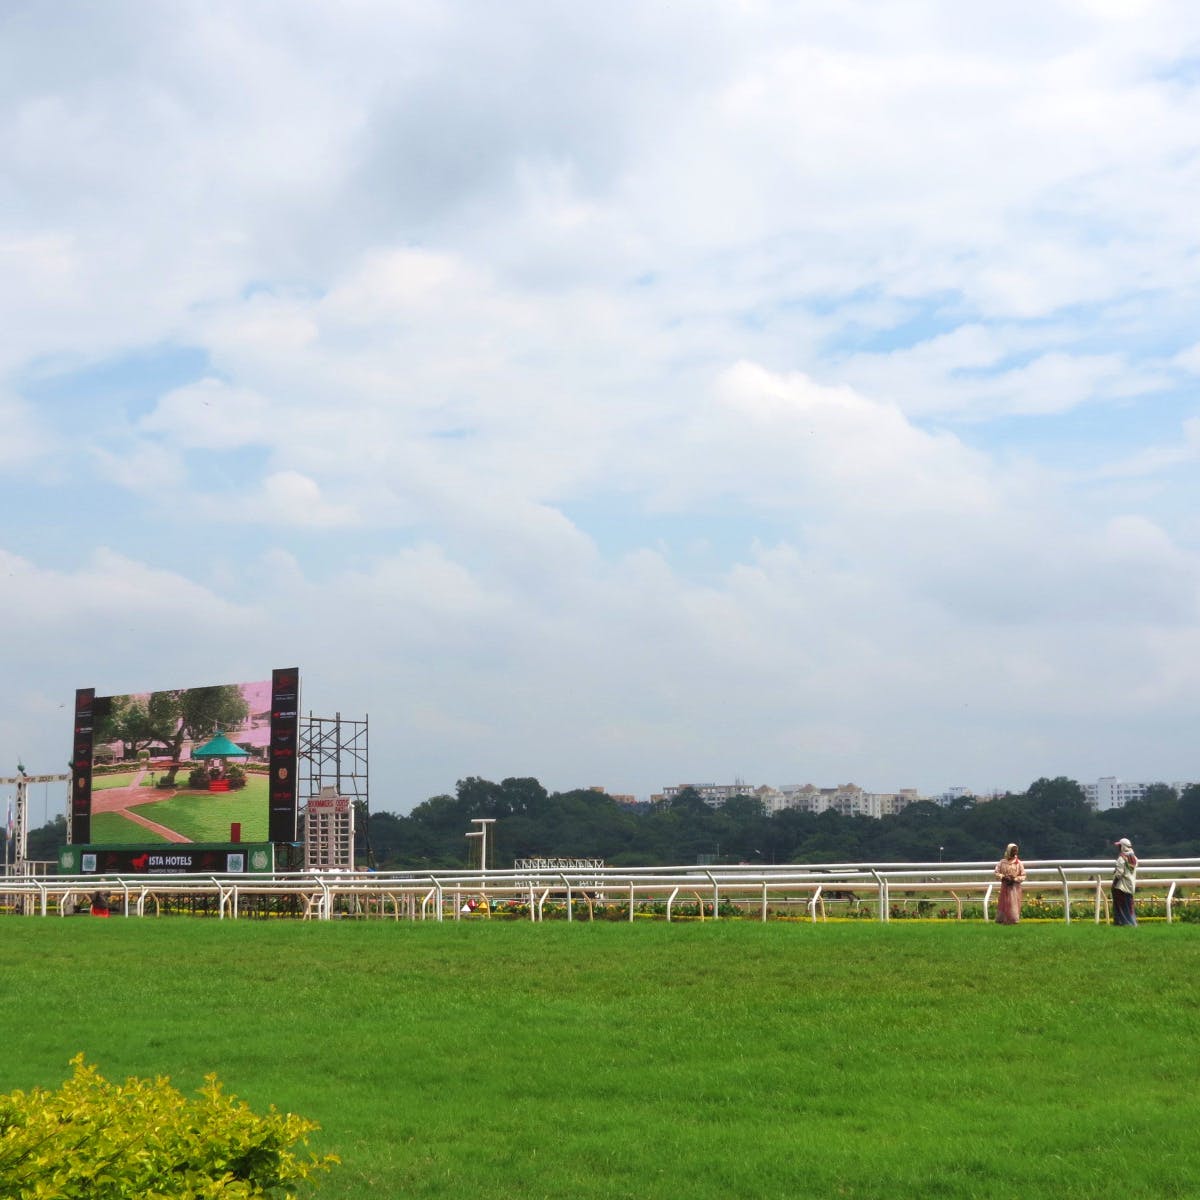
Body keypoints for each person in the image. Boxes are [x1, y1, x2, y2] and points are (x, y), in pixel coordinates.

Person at [994, 843, 1026, 924]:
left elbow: (1023, 875)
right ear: (1009, 851)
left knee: (1013, 903)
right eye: (1013, 850)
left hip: (1014, 888)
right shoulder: (1002, 862)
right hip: (1005, 886)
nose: (1015, 852)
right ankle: (1002, 919)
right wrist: (1003, 877)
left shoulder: (1018, 863)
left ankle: (1013, 919)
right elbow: (996, 872)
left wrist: (1014, 879)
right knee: (1004, 902)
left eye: (1016, 851)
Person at [1112, 837, 1137, 926]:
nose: (1118, 848)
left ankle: (1122, 923)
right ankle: (1132, 923)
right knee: (1129, 907)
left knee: (1120, 907)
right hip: (1130, 886)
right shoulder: (1134, 858)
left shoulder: (1121, 858)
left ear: (1122, 847)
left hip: (1120, 887)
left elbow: (1119, 873)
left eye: (1119, 846)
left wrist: (1114, 884)